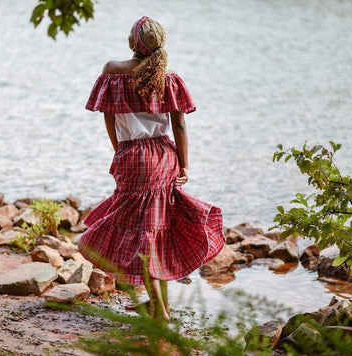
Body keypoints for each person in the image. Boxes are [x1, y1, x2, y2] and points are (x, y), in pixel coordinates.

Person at [78, 16, 225, 322]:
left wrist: (121, 151)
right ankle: (161, 305)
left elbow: (108, 116)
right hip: (165, 156)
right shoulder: (168, 77)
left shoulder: (112, 72)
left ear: (133, 43)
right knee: (155, 231)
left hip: (134, 156)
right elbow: (180, 125)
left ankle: (159, 309)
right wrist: (184, 164)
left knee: (140, 234)